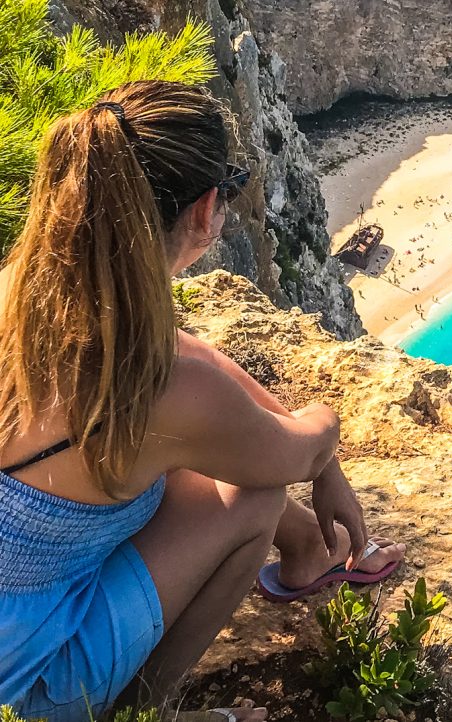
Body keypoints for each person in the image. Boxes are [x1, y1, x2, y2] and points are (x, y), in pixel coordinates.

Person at [0, 81, 405, 722]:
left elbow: (187, 356)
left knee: (191, 453)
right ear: (204, 209)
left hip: (15, 615)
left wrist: (322, 468)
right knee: (252, 490)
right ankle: (144, 712)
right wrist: (325, 446)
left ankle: (305, 550)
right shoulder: (164, 392)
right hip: (41, 680)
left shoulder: (25, 292)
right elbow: (294, 450)